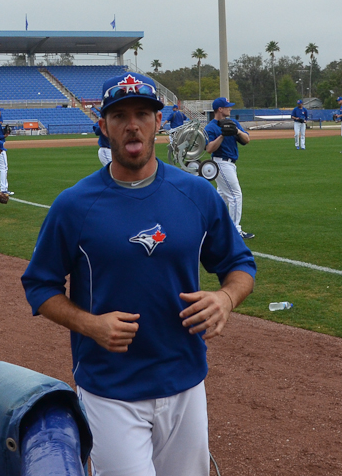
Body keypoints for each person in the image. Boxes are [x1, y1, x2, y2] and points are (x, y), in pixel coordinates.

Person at [21, 72, 256, 476]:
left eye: (143, 114)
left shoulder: (196, 194)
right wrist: (90, 324)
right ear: (103, 126)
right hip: (111, 389)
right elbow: (39, 286)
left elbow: (239, 266)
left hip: (185, 381)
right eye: (120, 115)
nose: (133, 124)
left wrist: (226, 298)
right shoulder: (74, 206)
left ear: (159, 122)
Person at [205, 97, 254, 239]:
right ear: (220, 109)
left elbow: (247, 139)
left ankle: (209, 225)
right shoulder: (211, 127)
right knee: (235, 195)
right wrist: (222, 135)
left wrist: (236, 131)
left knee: (221, 198)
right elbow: (209, 149)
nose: (230, 108)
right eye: (227, 107)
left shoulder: (233, 122)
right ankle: (235, 230)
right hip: (220, 163)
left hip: (231, 164)